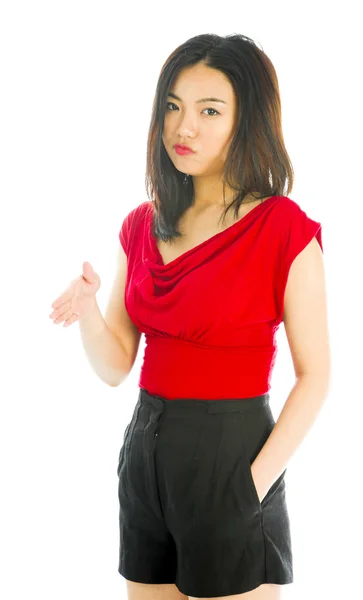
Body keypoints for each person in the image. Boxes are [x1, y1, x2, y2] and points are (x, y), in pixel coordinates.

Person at [49, 33, 331, 600]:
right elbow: (115, 367)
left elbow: (316, 375)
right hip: (146, 453)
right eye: (173, 107)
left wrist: (250, 485)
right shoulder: (141, 225)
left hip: (234, 453)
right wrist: (86, 314)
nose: (185, 128)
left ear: (246, 119)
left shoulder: (282, 227)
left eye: (209, 110)